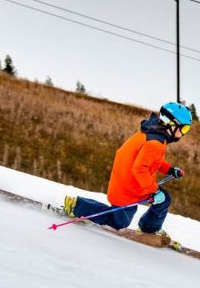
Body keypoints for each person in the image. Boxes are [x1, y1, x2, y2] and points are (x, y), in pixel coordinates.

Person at [63, 102, 192, 238]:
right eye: (184, 129)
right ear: (172, 124)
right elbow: (140, 169)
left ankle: (149, 230)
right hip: (127, 188)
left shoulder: (153, 134)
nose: (183, 134)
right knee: (119, 221)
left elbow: (153, 161)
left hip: (132, 183)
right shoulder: (155, 143)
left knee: (163, 200)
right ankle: (77, 206)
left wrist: (170, 170)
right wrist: (154, 191)